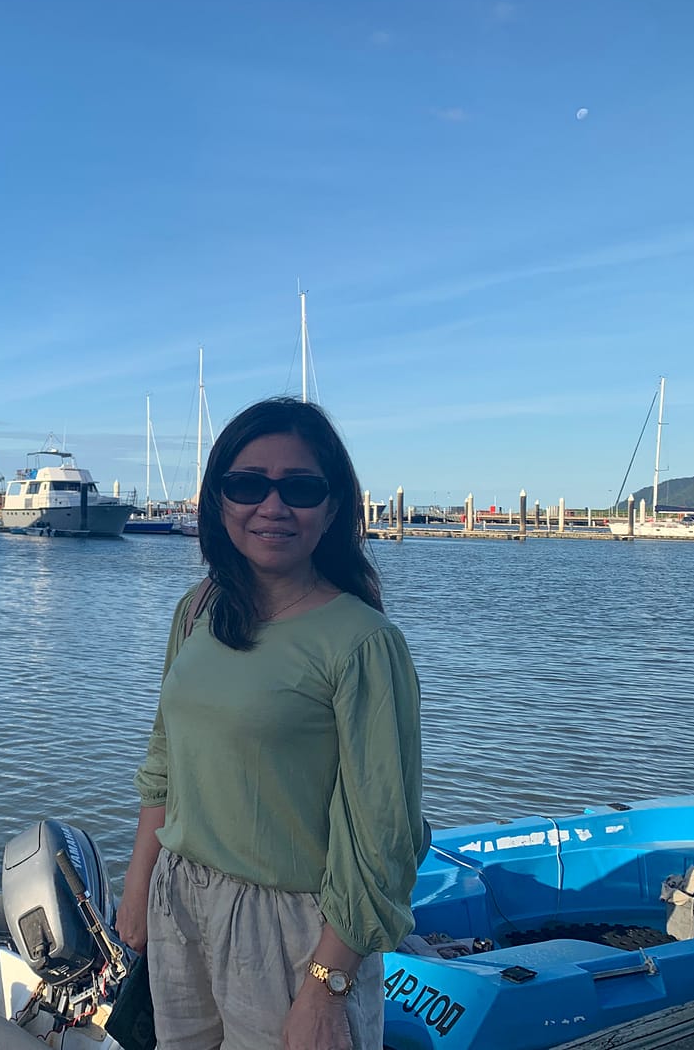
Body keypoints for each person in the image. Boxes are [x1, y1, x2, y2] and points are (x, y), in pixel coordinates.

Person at [113, 396, 425, 1050]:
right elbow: (165, 757)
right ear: (218, 499)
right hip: (181, 895)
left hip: (294, 928)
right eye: (248, 485)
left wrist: (328, 985)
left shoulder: (362, 642)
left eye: (300, 489)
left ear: (332, 508)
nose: (272, 506)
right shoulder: (198, 609)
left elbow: (383, 837)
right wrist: (140, 879)